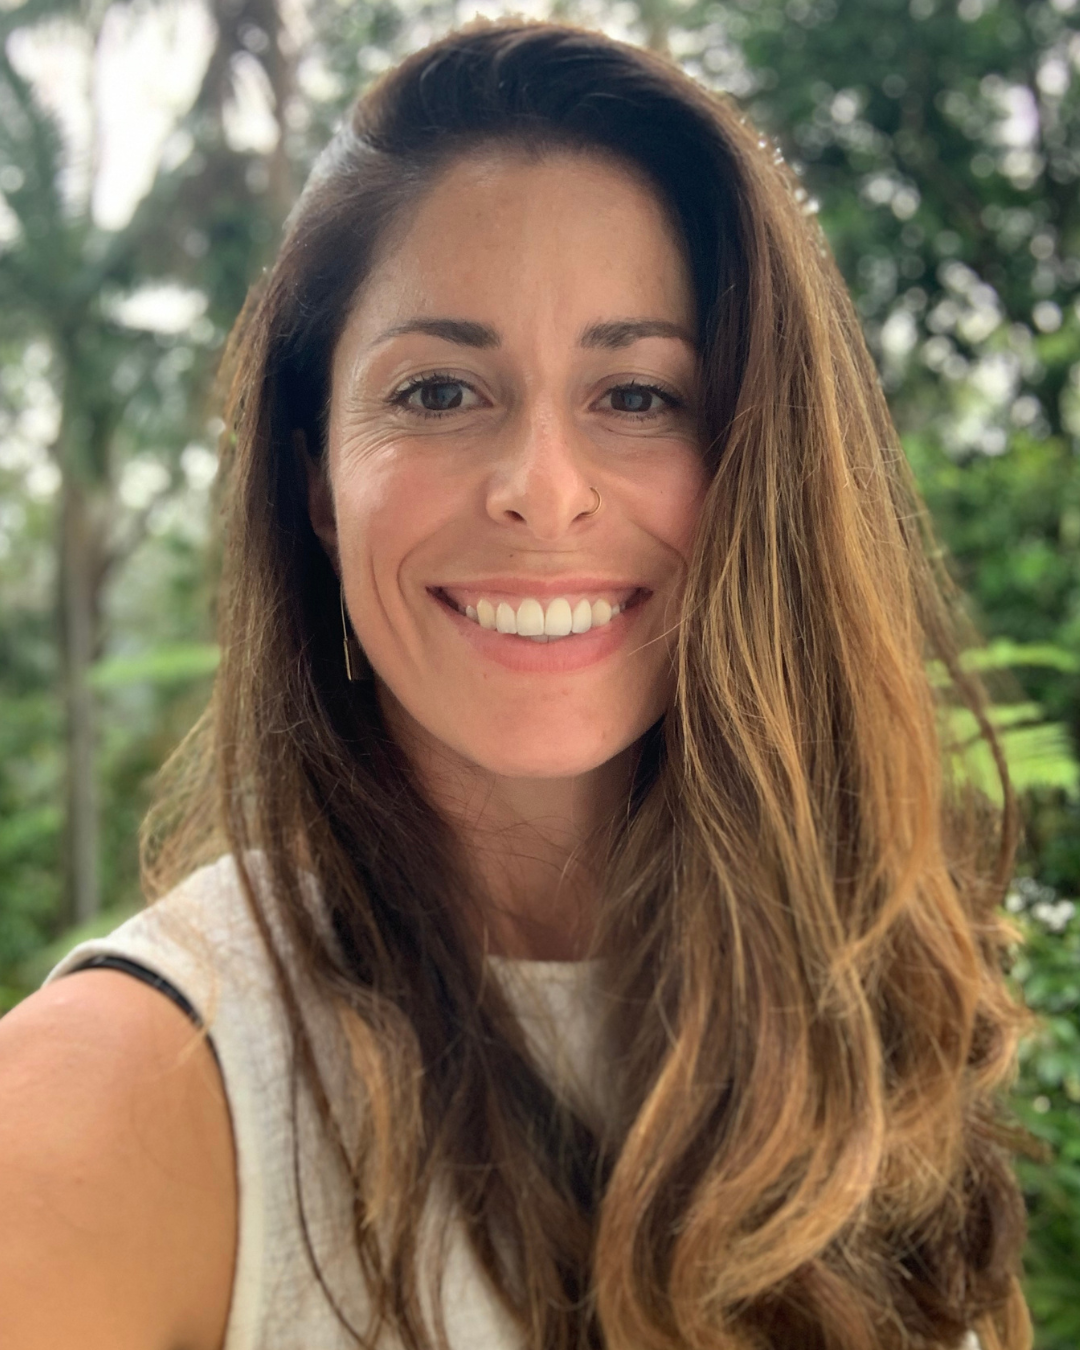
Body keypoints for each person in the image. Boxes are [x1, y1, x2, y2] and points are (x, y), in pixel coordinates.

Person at [0, 18, 1033, 1350]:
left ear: (759, 469)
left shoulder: (873, 1001)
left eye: (641, 395)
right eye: (437, 390)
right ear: (317, 484)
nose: (541, 488)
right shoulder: (121, 1101)